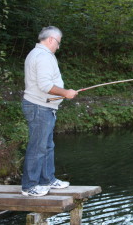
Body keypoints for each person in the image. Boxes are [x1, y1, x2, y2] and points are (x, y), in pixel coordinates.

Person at [21, 26, 78, 197]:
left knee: (47, 146)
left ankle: (47, 180)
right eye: (58, 43)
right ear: (51, 39)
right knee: (38, 147)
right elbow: (45, 85)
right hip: (39, 107)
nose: (58, 46)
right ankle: (29, 186)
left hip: (44, 107)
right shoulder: (42, 56)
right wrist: (66, 93)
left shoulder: (41, 55)